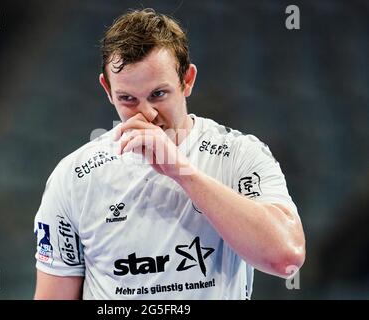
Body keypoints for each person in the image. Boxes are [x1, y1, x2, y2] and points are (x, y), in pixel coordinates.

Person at [33, 8, 306, 300]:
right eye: (128, 99)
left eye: (158, 94)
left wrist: (180, 170)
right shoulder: (74, 176)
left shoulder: (239, 156)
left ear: (187, 80)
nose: (147, 113)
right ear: (107, 89)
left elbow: (286, 258)